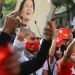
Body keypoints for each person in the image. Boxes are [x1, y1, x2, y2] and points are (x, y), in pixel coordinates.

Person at [0, 8, 56, 75]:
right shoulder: (19, 54)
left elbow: (37, 62)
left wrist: (47, 40)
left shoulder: (12, 68)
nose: (36, 41)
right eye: (32, 39)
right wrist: (6, 32)